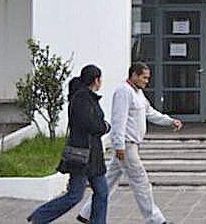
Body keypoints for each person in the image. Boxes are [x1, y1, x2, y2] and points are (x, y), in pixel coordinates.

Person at [76, 62, 182, 224]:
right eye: (144, 77)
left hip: (131, 145)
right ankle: (155, 220)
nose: (147, 81)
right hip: (127, 145)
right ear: (134, 75)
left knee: (109, 181)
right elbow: (119, 120)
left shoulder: (138, 93)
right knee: (141, 183)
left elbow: (150, 112)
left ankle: (87, 213)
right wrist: (118, 146)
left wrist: (169, 121)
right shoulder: (123, 92)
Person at [27, 65, 110, 224]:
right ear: (96, 80)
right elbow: (92, 125)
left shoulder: (89, 98)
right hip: (82, 155)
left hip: (94, 156)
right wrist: (105, 126)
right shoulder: (81, 99)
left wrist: (101, 125)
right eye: (100, 79)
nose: (101, 82)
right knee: (75, 195)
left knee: (102, 191)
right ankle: (39, 217)